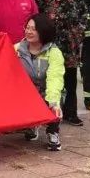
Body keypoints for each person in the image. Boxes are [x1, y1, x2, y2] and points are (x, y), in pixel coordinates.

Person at [34, 0, 88, 126]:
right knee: (48, 80)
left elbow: (83, 12)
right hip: (50, 44)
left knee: (70, 80)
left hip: (71, 43)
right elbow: (36, 17)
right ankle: (44, 113)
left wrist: (79, 31)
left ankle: (70, 112)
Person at [15, 14, 64, 151]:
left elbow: (55, 78)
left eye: (33, 29)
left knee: (55, 101)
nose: (28, 32)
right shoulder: (18, 49)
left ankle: (52, 131)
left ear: (43, 32)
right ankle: (31, 123)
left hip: (46, 91)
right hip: (25, 92)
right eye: (27, 28)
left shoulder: (54, 53)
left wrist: (53, 102)